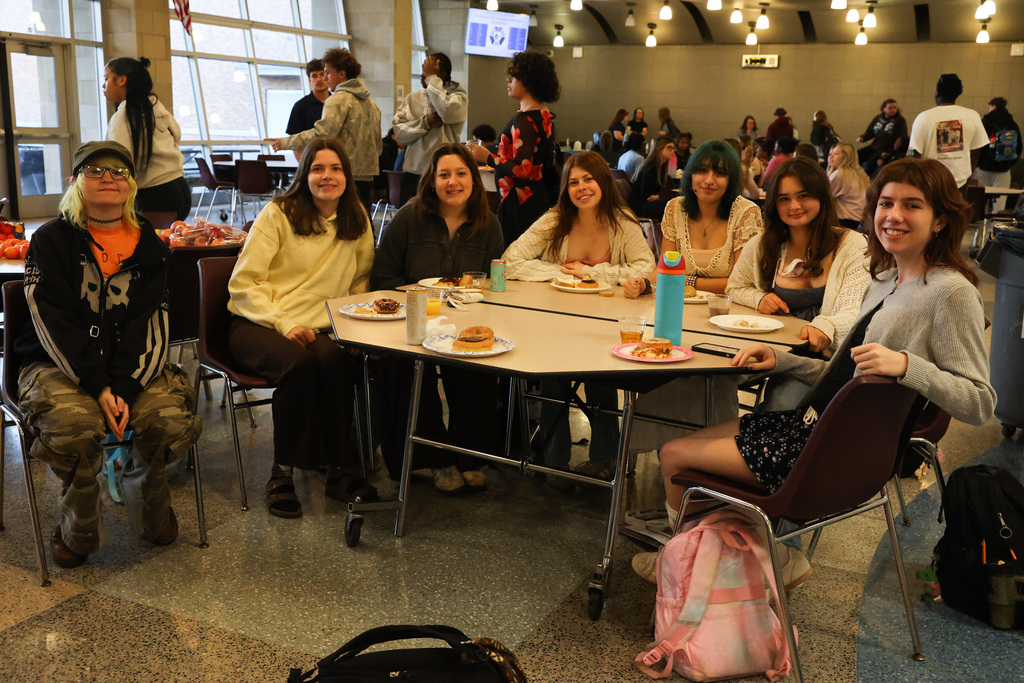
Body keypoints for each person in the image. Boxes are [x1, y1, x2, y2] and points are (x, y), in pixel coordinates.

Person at [633, 156, 996, 585]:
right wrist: (781, 359)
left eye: (912, 205)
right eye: (886, 203)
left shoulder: (950, 292)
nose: (893, 216)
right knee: (680, 447)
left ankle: (692, 571)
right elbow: (845, 376)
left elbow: (979, 403)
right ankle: (734, 565)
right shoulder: (886, 279)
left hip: (833, 450)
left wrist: (906, 366)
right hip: (813, 426)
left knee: (675, 456)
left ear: (940, 220)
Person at [17, 141, 202, 567]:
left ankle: (151, 509)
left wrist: (125, 388)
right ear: (75, 182)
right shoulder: (50, 240)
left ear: (131, 185)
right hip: (56, 363)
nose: (108, 178)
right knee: (75, 426)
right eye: (95, 170)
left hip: (133, 366)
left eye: (119, 171)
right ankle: (78, 528)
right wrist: (99, 387)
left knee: (168, 420)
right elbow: (53, 324)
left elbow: (150, 326)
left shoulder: (150, 245)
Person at [227, 138, 376, 518]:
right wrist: (284, 322)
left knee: (336, 361)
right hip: (257, 320)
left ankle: (338, 468)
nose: (328, 176)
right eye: (317, 169)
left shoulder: (356, 217)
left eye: (336, 169)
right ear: (304, 175)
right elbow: (244, 284)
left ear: (347, 175)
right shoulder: (279, 213)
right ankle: (282, 471)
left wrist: (349, 330)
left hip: (316, 328)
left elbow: (359, 283)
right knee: (300, 365)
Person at [502, 151, 655, 484]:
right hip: (555, 320)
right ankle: (553, 459)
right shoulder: (555, 220)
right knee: (551, 373)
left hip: (606, 324)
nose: (582, 188)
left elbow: (646, 267)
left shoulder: (622, 221)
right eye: (573, 182)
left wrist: (592, 272)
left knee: (602, 375)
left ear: (604, 183)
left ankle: (605, 459)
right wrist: (559, 272)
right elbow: (511, 260)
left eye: (589, 179)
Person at [372, 143, 503, 494]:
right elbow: (383, 280)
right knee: (407, 366)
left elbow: (495, 285)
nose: (452, 182)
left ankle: (471, 455)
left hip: (466, 320)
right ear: (432, 181)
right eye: (444, 175)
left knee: (477, 363)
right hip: (411, 322)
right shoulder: (408, 219)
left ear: (474, 180)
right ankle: (432, 458)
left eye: (461, 174)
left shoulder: (489, 224)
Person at [624, 141, 764, 450]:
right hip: (678, 314)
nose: (709, 180)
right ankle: (667, 452)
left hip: (726, 320)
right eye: (701, 171)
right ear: (689, 174)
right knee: (663, 363)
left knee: (707, 372)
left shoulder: (745, 213)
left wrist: (688, 281)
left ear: (732, 179)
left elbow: (740, 282)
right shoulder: (676, 208)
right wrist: (643, 283)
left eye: (720, 173)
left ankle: (711, 452)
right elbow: (665, 267)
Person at [727, 157, 870, 356]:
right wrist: (759, 298)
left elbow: (854, 311)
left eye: (803, 196)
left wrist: (826, 327)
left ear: (821, 196)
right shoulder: (761, 245)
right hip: (773, 351)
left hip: (830, 360)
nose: (794, 206)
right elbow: (734, 288)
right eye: (784, 199)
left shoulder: (852, 245)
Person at [270, 48, 382, 208]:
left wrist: (285, 143)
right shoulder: (371, 103)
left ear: (341, 74)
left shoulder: (338, 99)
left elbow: (323, 134)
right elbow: (378, 146)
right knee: (361, 217)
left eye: (328, 73)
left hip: (342, 173)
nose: (325, 78)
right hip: (367, 175)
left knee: (339, 218)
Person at [469, 51, 560, 247]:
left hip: (520, 202)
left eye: (514, 76)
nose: (508, 80)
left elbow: (522, 169)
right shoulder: (543, 115)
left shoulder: (525, 120)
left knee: (513, 256)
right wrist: (500, 162)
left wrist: (488, 157)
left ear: (529, 81)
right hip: (534, 197)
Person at [102, 57, 190, 220]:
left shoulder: (123, 116)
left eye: (106, 79)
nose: (103, 85)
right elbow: (176, 134)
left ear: (122, 80)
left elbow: (119, 161)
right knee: (168, 236)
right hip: (180, 190)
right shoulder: (156, 106)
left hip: (154, 196)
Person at [392, 52, 468, 206]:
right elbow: (399, 133)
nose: (423, 74)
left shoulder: (458, 98)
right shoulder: (412, 98)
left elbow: (446, 112)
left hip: (443, 174)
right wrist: (425, 123)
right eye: (423, 70)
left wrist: (432, 78)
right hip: (413, 174)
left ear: (443, 74)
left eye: (428, 70)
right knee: (410, 218)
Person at [908, 73, 988, 190]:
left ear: (937, 92)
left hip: (930, 182)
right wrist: (967, 176)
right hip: (960, 183)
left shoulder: (924, 117)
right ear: (958, 93)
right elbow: (976, 152)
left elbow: (913, 154)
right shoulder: (972, 116)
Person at [973, 97, 1023, 211]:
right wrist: (1008, 163)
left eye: (989, 106)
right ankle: (996, 222)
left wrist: (978, 164)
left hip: (984, 169)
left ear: (993, 106)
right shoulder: (1013, 124)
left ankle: (981, 222)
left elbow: (978, 145)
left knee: (980, 203)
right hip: (1003, 171)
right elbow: (1019, 147)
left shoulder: (985, 122)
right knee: (999, 205)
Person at [285, 59, 330, 158]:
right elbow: (295, 141)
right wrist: (303, 164)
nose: (319, 79)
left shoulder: (337, 103)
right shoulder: (300, 106)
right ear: (309, 79)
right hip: (310, 159)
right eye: (314, 76)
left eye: (322, 74)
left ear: (327, 76)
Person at [856, 98, 908, 176]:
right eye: (890, 108)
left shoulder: (900, 120)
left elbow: (902, 136)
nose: (893, 110)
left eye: (895, 108)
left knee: (870, 163)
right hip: (875, 146)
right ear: (884, 109)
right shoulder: (878, 118)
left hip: (887, 149)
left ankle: (867, 178)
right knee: (857, 155)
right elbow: (870, 131)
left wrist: (895, 150)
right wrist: (863, 137)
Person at [628, 137, 676, 220]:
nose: (672, 151)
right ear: (659, 149)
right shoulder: (651, 166)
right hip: (639, 206)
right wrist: (659, 196)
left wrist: (658, 196)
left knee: (674, 204)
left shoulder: (661, 166)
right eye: (669, 148)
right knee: (672, 206)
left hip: (646, 204)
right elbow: (646, 195)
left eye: (673, 148)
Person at [827, 143, 871, 231]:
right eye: (830, 154)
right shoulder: (861, 173)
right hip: (860, 222)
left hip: (844, 222)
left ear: (846, 157)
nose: (831, 157)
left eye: (836, 153)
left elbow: (823, 196)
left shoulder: (840, 174)